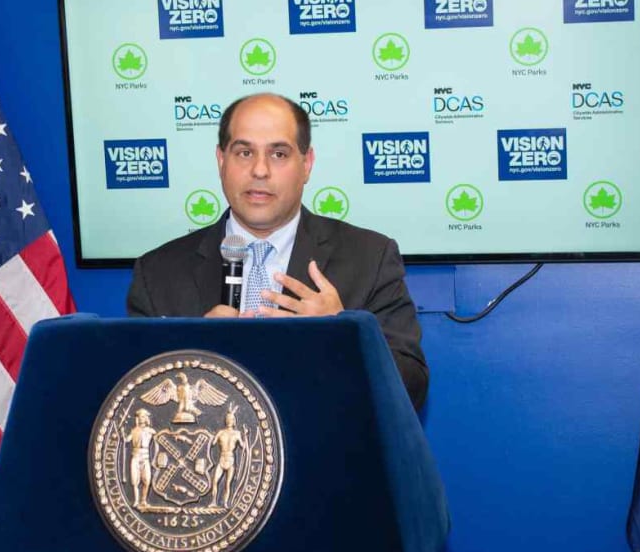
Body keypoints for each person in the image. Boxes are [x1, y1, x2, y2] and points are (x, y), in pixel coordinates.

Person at [127, 93, 429, 408]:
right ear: (221, 161)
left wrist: (344, 337)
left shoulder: (370, 258)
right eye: (244, 152)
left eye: (279, 154)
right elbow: (133, 401)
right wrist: (194, 356)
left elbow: (413, 389)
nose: (260, 170)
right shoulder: (158, 273)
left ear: (306, 164)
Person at [125, 409, 156, 510]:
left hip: (145, 457)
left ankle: (143, 501)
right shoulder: (134, 431)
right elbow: (126, 440)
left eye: (143, 416)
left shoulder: (150, 431)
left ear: (146, 418)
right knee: (135, 480)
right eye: (139, 417)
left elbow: (157, 436)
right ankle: (136, 501)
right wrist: (121, 434)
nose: (141, 418)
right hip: (136, 456)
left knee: (147, 480)